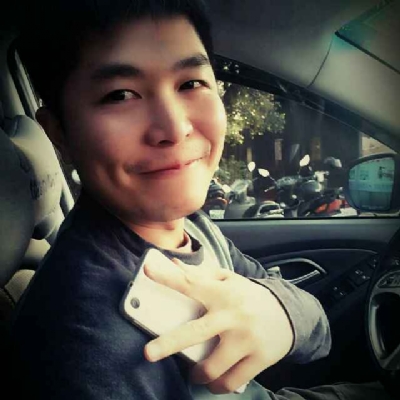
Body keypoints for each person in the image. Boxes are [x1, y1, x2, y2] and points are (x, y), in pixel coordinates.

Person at [11, 1, 392, 399]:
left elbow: (315, 327)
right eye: (120, 95)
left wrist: (280, 309)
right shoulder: (79, 333)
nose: (175, 127)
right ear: (59, 132)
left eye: (191, 84)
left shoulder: (190, 224)